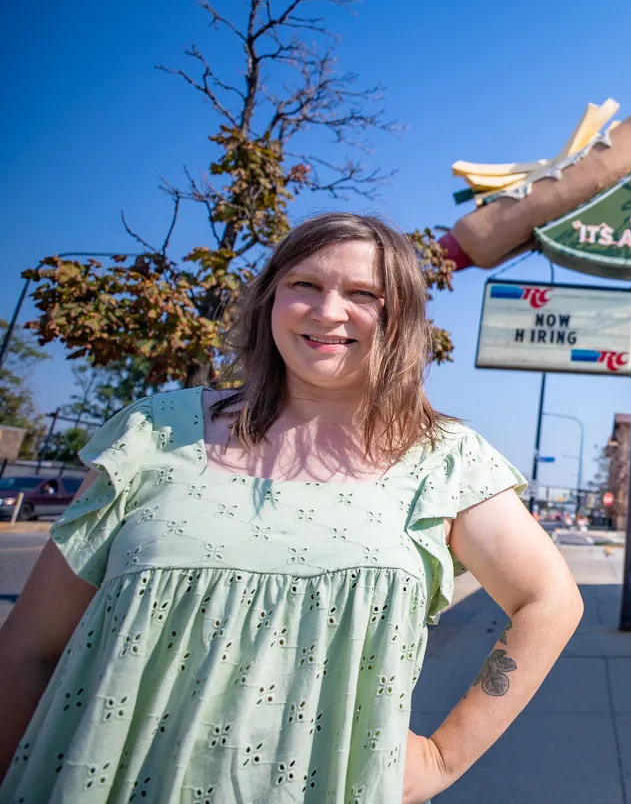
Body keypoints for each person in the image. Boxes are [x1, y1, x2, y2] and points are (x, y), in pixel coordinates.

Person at [0, 213, 584, 802]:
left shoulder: (444, 460)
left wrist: (443, 756)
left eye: (364, 294)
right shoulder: (155, 431)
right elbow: (26, 652)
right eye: (304, 284)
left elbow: (550, 602)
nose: (328, 311)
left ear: (400, 319)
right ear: (270, 299)